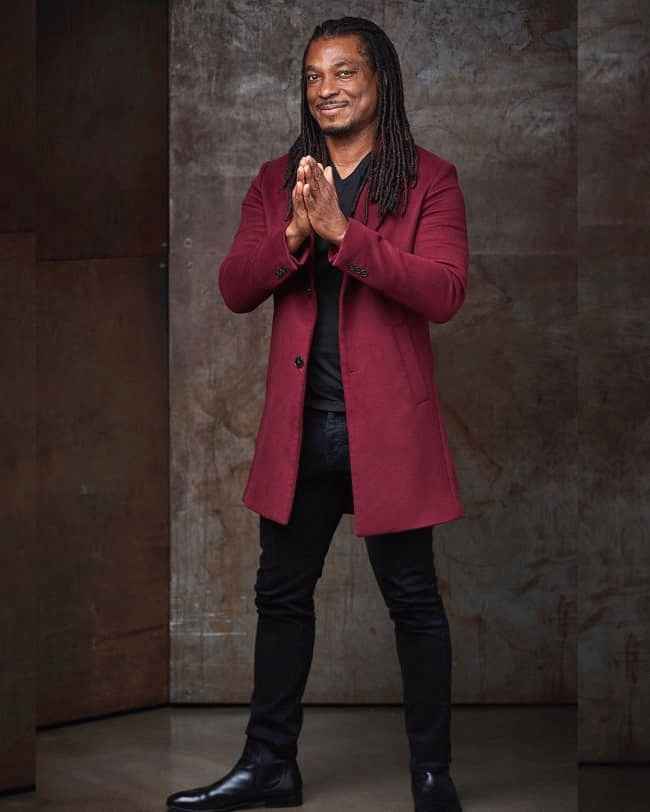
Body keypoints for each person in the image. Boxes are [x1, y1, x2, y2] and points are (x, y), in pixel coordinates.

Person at [167, 15, 468, 812]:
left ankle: (432, 774)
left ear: (380, 81)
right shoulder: (279, 179)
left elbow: (444, 291)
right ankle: (270, 767)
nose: (325, 89)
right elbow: (235, 287)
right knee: (280, 597)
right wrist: (297, 235)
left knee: (413, 603)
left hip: (387, 433)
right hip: (301, 433)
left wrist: (346, 234)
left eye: (343, 72)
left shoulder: (430, 179)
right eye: (312, 76)